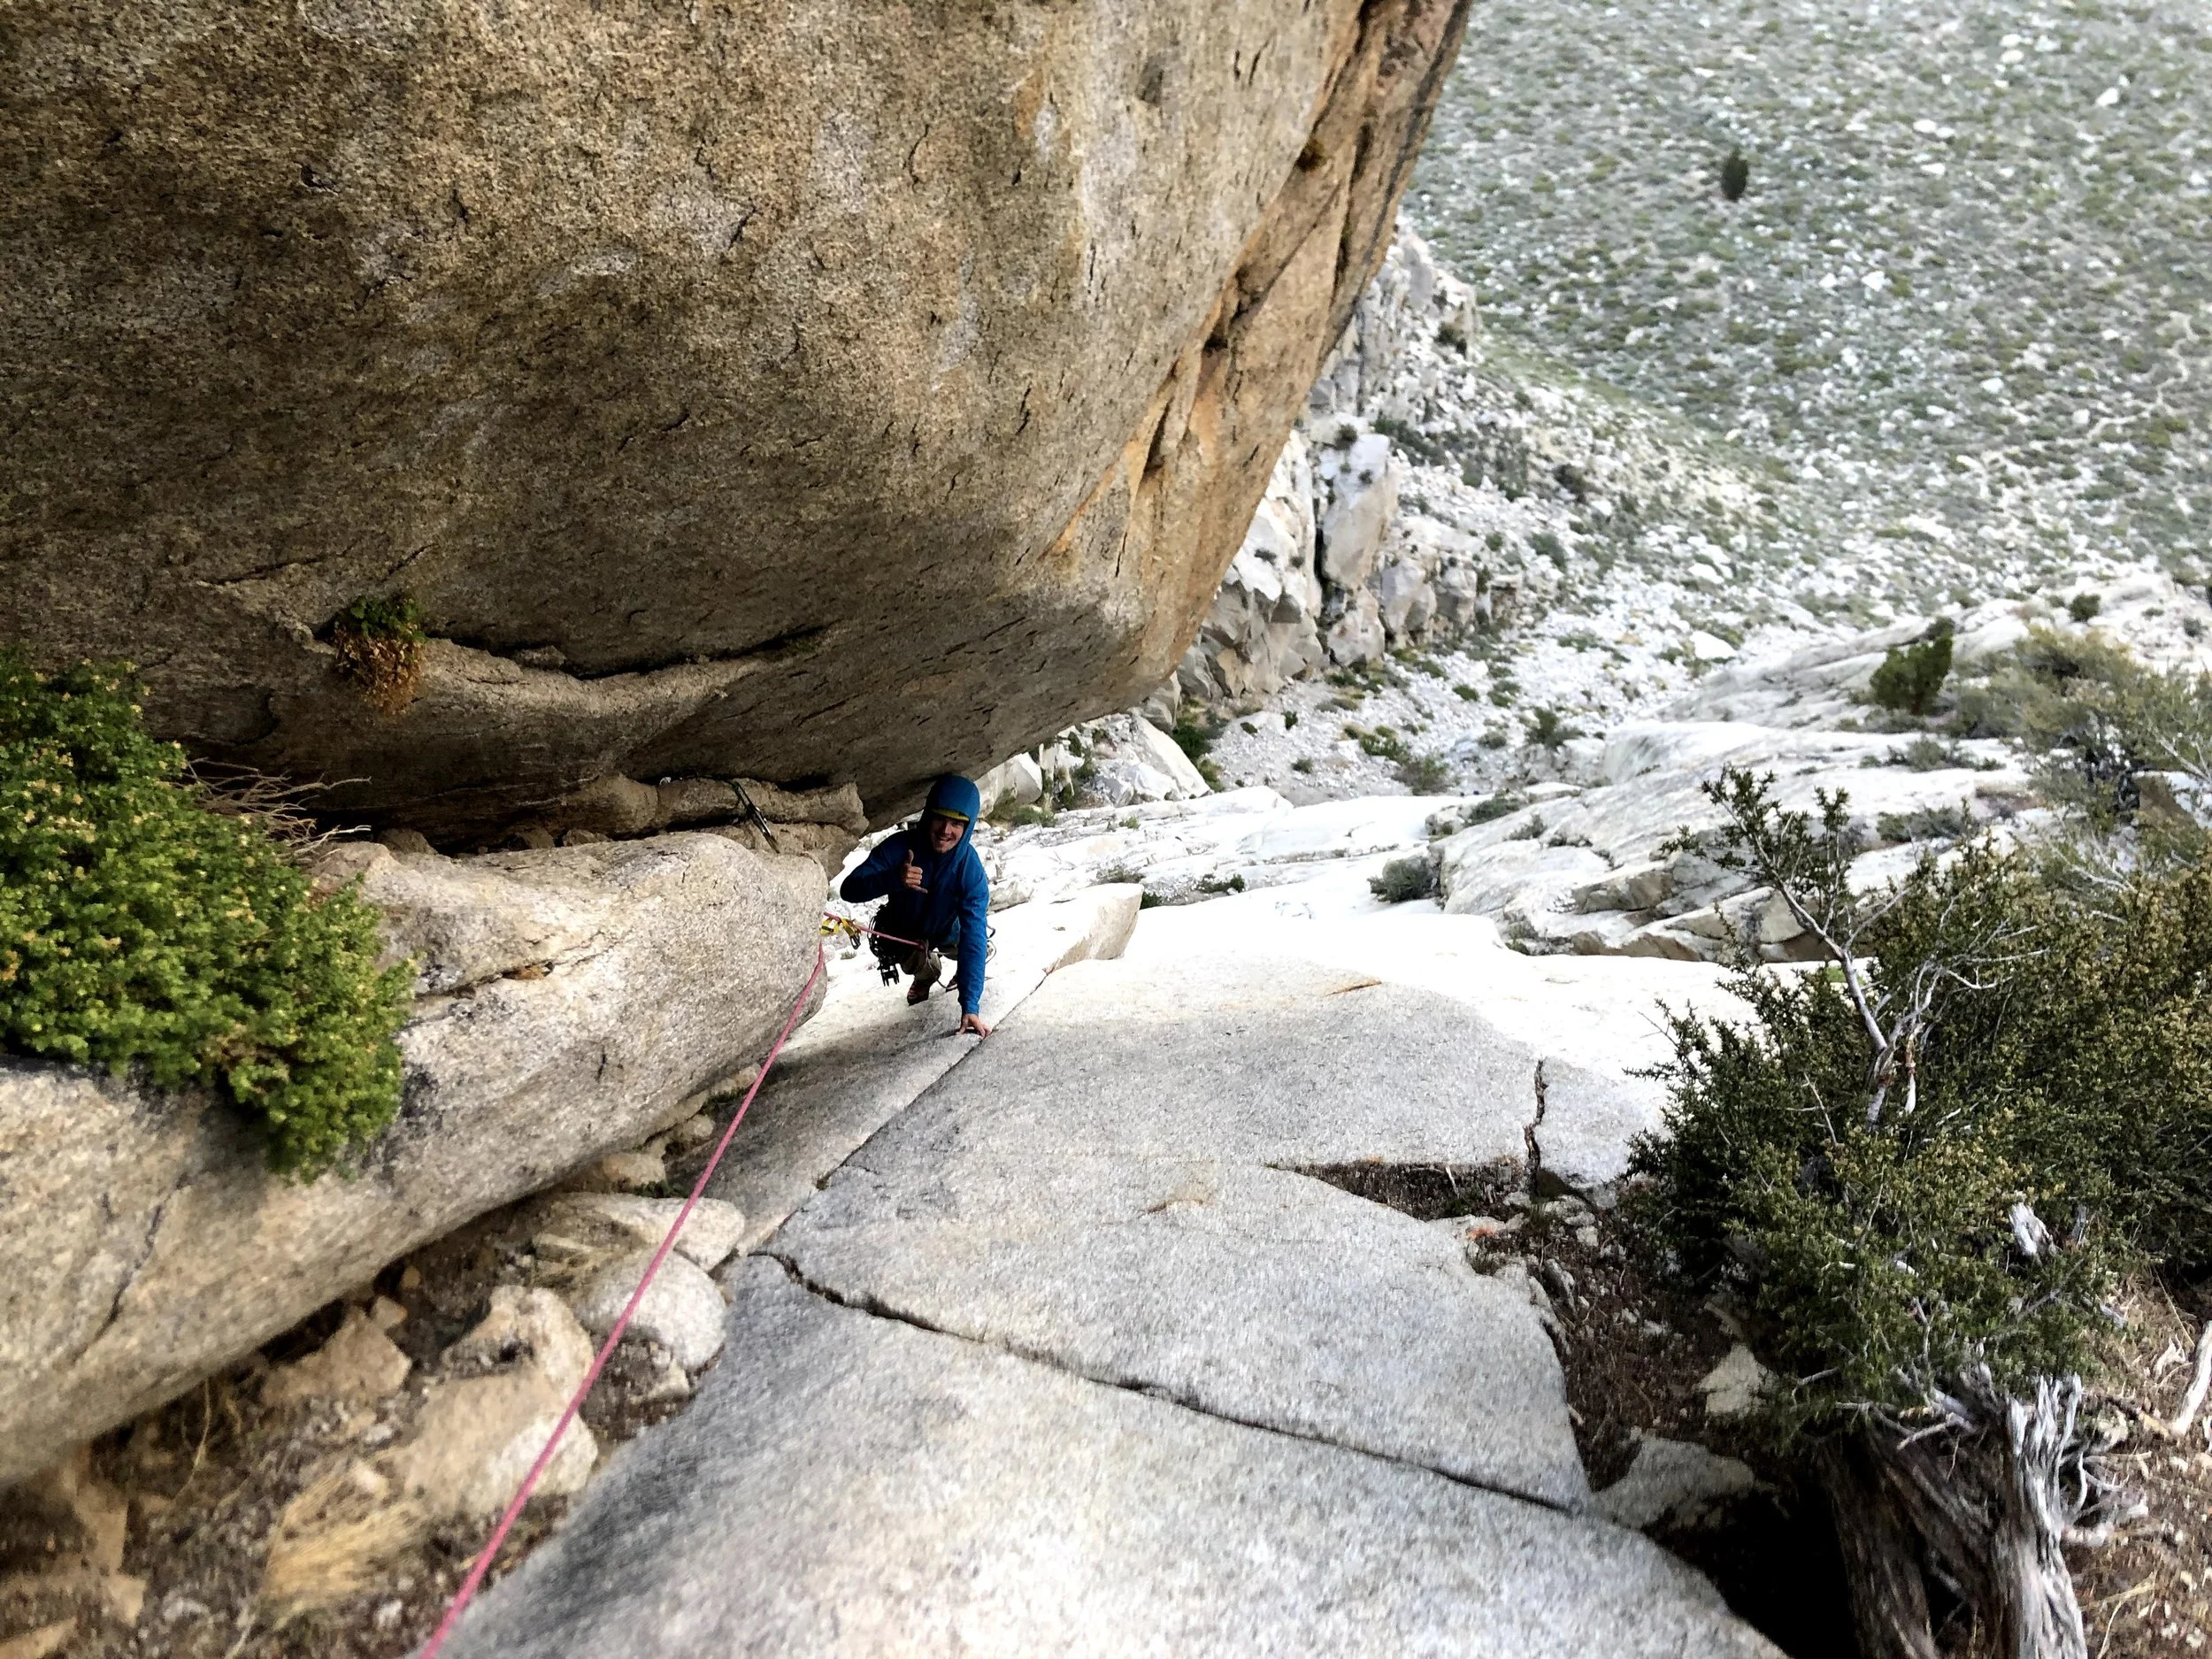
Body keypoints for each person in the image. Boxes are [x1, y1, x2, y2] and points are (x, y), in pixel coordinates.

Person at [838, 774, 993, 1035]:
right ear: (927, 816)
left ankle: (962, 974)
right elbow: (849, 889)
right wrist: (893, 879)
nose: (946, 830)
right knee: (918, 962)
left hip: (948, 929)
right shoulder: (900, 848)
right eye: (940, 818)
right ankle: (925, 977)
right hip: (905, 931)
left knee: (975, 945)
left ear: (968, 828)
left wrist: (970, 1005)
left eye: (957, 823)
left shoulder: (970, 869)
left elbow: (973, 935)